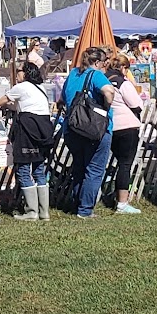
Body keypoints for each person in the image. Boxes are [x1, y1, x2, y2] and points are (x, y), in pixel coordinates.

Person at [60, 47, 117, 219]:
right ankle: (85, 210)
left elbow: (62, 99)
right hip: (94, 129)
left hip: (73, 128)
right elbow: (109, 91)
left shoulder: (73, 75)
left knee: (79, 167)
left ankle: (77, 202)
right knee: (94, 169)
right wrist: (106, 107)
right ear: (98, 62)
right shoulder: (96, 75)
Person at [2, 60, 57, 220]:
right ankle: (43, 211)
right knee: (39, 170)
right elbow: (25, 105)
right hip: (43, 129)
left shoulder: (21, 87)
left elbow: (0, 101)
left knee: (24, 169)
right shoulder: (40, 88)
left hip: (27, 130)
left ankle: (31, 212)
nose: (17, 73)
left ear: (25, 73)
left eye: (19, 71)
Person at [104, 53, 148, 215]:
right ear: (123, 68)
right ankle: (122, 202)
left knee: (109, 163)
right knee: (125, 164)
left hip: (109, 125)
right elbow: (136, 103)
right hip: (127, 126)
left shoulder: (103, 80)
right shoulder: (123, 83)